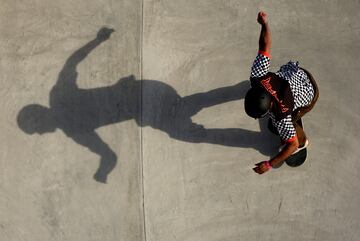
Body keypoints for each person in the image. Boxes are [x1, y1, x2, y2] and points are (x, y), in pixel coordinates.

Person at [245, 12, 318, 174]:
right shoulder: (257, 76)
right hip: (299, 73)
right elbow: (264, 45)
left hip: (310, 94)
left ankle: (303, 140)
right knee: (279, 125)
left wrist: (270, 164)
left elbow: (290, 146)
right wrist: (264, 24)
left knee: (289, 133)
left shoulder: (281, 117)